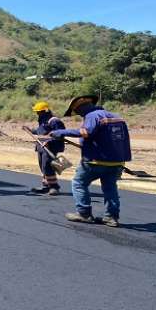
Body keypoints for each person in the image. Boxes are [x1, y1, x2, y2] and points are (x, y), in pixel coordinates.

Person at [49, 95, 132, 227]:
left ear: (81, 108)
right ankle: (111, 217)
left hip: (95, 161)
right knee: (110, 188)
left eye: (77, 112)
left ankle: (84, 213)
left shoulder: (92, 116)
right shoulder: (117, 117)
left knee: (79, 183)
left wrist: (61, 132)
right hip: (117, 162)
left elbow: (86, 132)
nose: (79, 115)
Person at [25, 101, 66, 195]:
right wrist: (31, 130)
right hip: (41, 147)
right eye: (37, 112)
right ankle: (46, 186)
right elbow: (40, 131)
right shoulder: (42, 120)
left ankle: (54, 187)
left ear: (45, 111)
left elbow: (60, 134)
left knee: (48, 166)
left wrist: (49, 141)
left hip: (51, 148)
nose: (37, 113)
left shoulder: (54, 121)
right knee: (43, 166)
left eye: (39, 111)